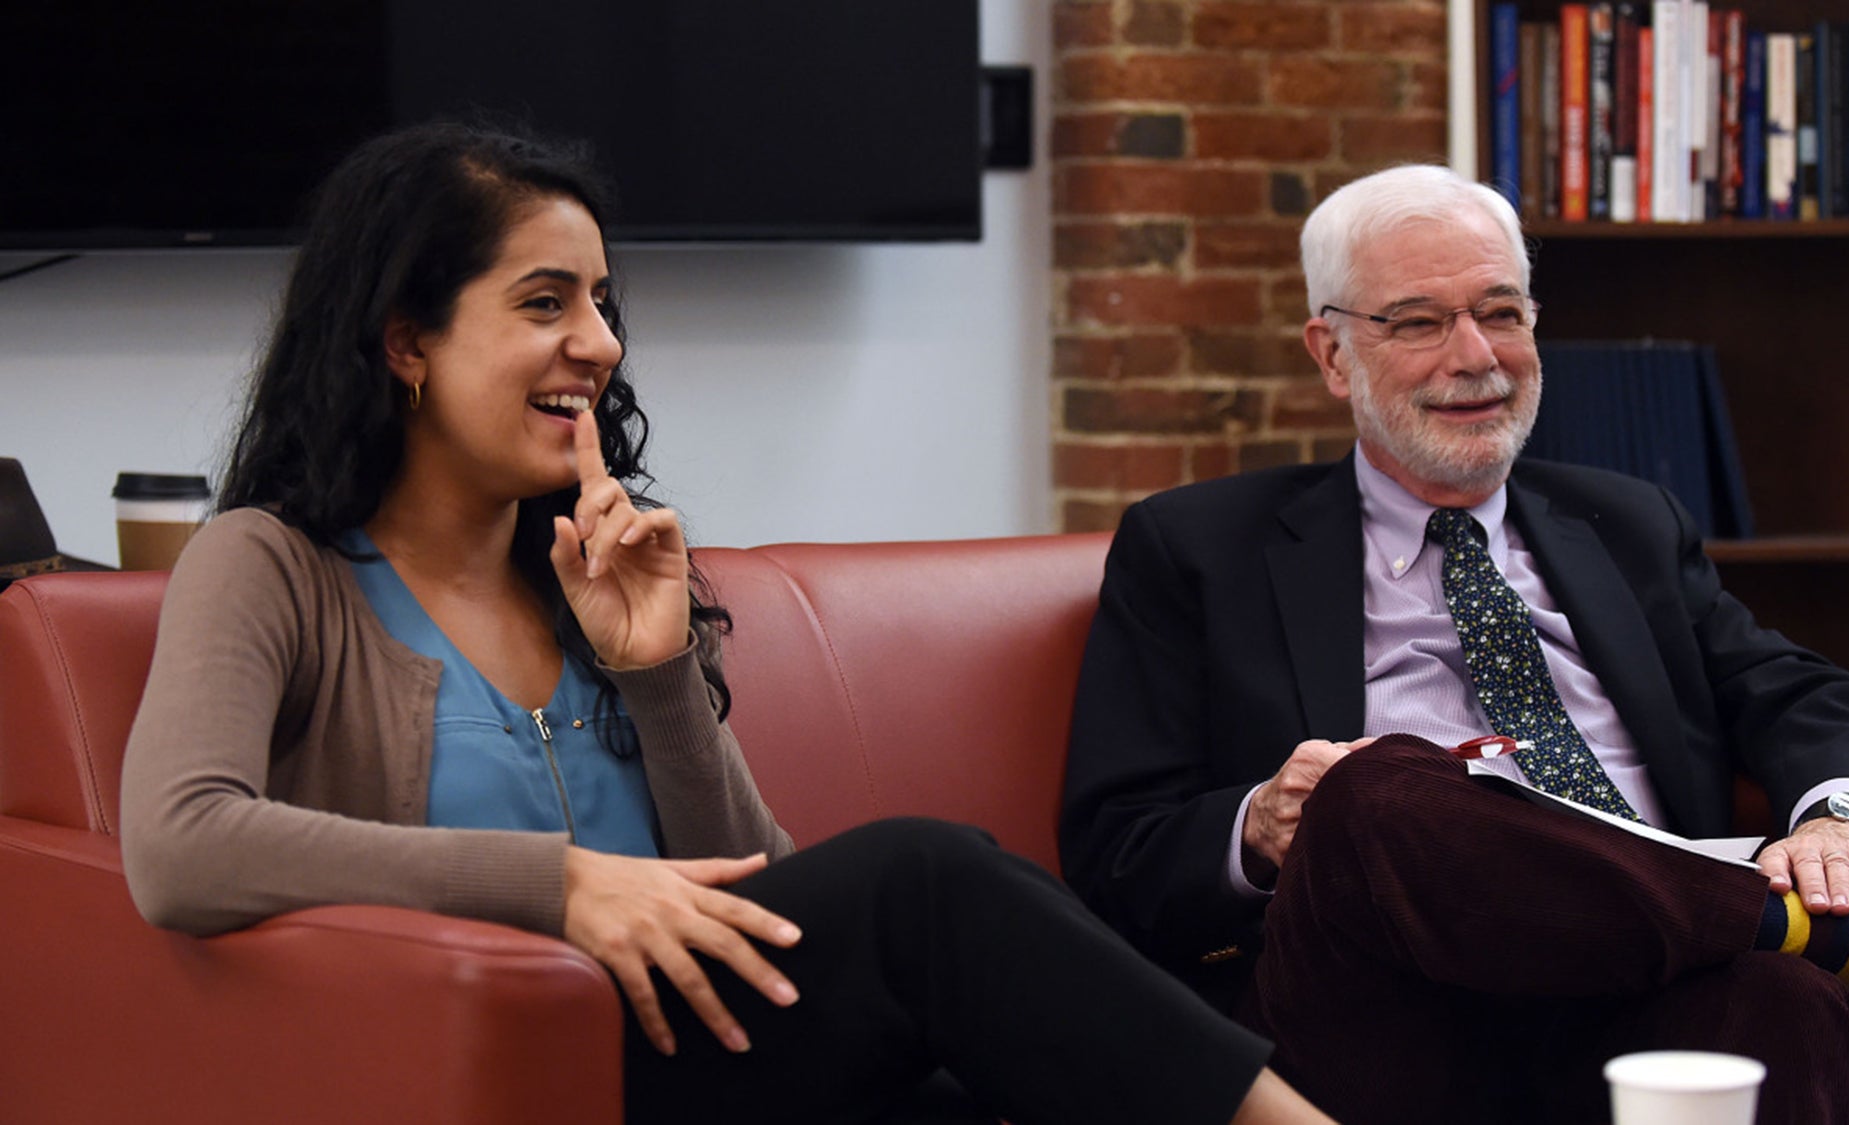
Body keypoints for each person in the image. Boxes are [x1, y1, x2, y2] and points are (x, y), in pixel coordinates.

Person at [118, 121, 1338, 1125]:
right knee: (923, 875)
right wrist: (561, 886)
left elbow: (763, 892)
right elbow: (184, 845)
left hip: (696, 1057)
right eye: (544, 301)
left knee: (974, 1091)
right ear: (405, 344)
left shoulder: (597, 572)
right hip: (493, 1071)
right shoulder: (271, 564)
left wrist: (655, 674)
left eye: (600, 302)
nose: (596, 344)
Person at [1058, 163, 1849, 1125]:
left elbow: (1806, 695)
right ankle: (1845, 938)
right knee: (1377, 783)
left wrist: (1838, 818)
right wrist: (1258, 821)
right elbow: (1114, 849)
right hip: (1383, 1016)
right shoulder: (1197, 549)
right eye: (1418, 322)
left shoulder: (1627, 523)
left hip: (1644, 993)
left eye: (1501, 311)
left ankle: (1787, 942)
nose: (1477, 356)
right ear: (1333, 354)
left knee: (1786, 1000)